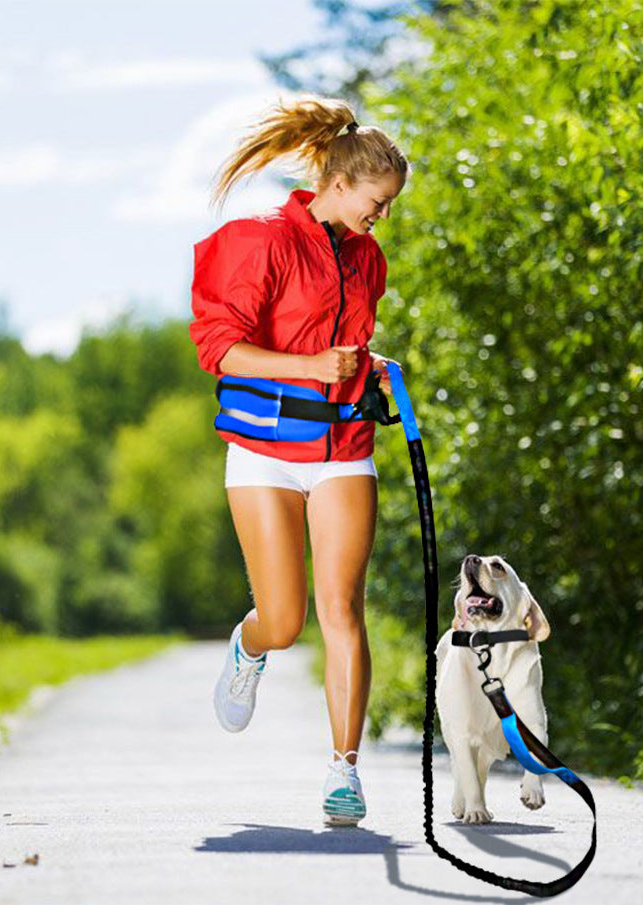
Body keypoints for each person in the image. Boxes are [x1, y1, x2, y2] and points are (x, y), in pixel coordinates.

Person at [189, 95, 410, 826]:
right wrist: (313, 365)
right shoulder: (258, 243)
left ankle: (343, 771)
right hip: (264, 451)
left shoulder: (367, 258)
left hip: (344, 447)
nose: (382, 216)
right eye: (377, 202)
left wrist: (370, 366)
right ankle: (250, 647)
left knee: (343, 608)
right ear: (341, 184)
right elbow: (219, 348)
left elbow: (341, 349)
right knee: (285, 620)